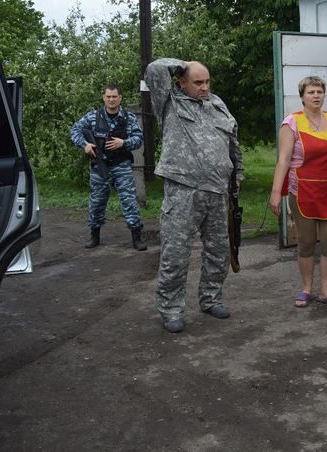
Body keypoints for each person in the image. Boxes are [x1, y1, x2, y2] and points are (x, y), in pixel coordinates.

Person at [145, 58, 242, 334]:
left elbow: (233, 142)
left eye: (207, 81)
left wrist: (238, 176)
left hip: (218, 192)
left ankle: (211, 298)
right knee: (176, 255)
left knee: (219, 252)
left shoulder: (217, 104)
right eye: (198, 82)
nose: (204, 87)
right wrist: (183, 64)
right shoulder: (169, 102)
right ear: (181, 82)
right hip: (183, 191)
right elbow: (154, 70)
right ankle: (171, 309)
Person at [269, 76, 327, 310]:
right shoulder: (292, 123)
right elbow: (283, 160)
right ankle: (307, 289)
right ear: (302, 96)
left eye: (319, 91)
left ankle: (325, 290)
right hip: (304, 191)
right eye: (311, 92)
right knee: (307, 243)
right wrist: (276, 192)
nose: (316, 95)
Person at [70, 85, 146, 251]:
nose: (111, 100)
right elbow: (75, 130)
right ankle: (94, 235)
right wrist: (85, 145)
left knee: (129, 201)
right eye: (108, 97)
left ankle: (137, 237)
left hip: (121, 165)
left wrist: (123, 143)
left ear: (120, 98)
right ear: (103, 98)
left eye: (114, 97)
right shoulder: (93, 117)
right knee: (97, 202)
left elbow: (139, 139)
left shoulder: (128, 118)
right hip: (99, 166)